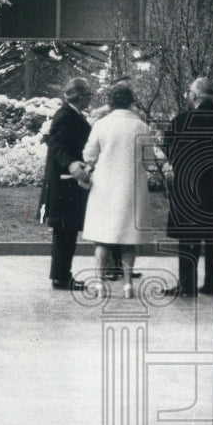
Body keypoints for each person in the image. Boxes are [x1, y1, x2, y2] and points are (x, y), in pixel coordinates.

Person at [80, 81, 154, 298]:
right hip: (131, 187)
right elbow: (148, 160)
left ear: (110, 102)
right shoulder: (142, 126)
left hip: (105, 187)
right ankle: (128, 284)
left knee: (103, 237)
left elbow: (89, 157)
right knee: (128, 239)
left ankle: (101, 283)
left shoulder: (102, 125)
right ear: (131, 101)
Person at [162, 76, 213, 297]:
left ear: (194, 96)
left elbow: (169, 147)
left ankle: (187, 285)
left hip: (189, 186)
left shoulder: (183, 120)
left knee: (188, 237)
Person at [38, 78, 93, 290]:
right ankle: (61, 277)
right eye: (89, 94)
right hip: (64, 186)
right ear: (79, 97)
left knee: (67, 232)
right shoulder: (65, 116)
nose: (91, 98)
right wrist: (70, 164)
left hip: (67, 186)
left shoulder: (71, 115)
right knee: (64, 232)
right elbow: (57, 147)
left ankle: (62, 275)